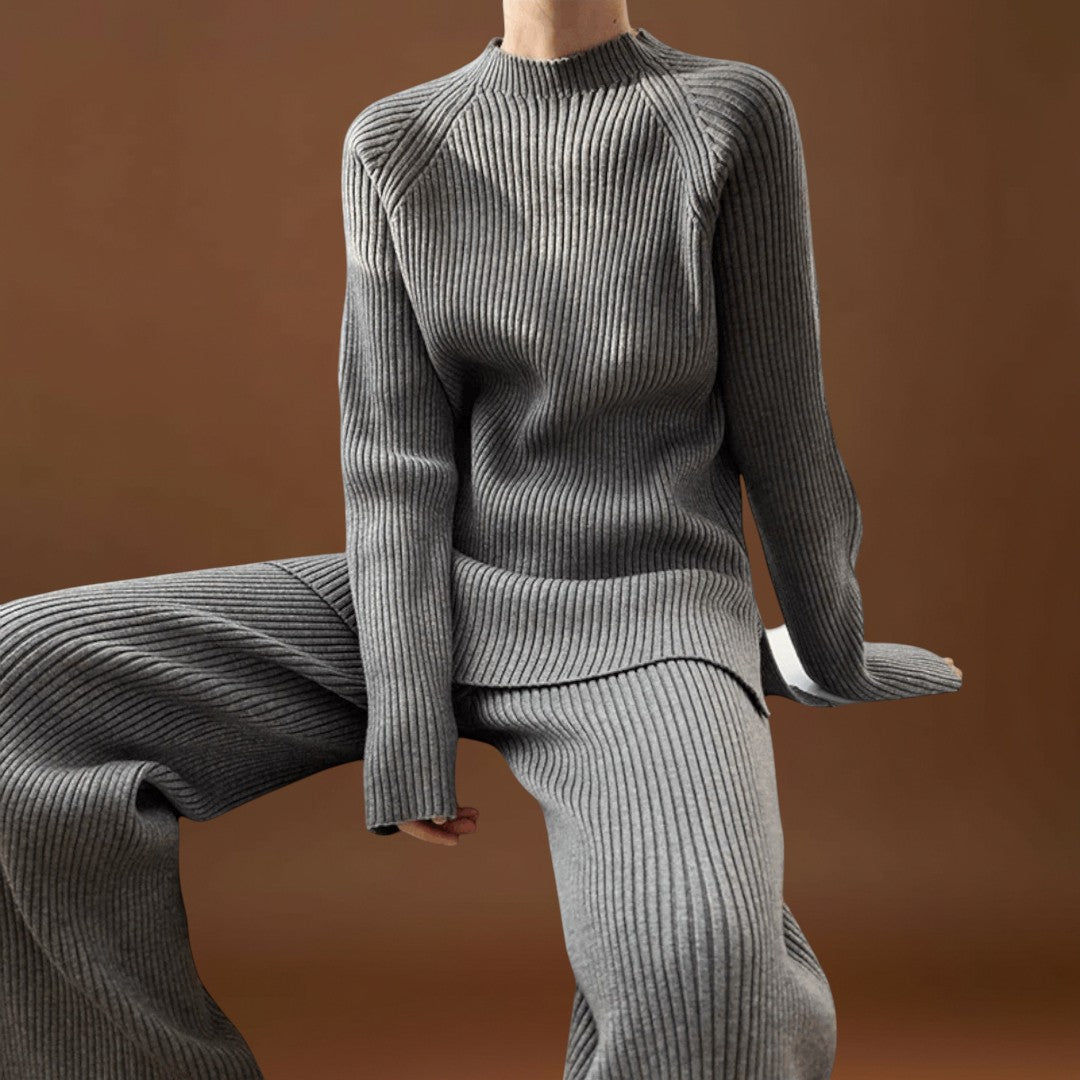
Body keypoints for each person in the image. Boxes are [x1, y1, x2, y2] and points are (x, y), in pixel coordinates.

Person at [0, 2, 963, 1077]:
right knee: (21, 680)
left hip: (648, 617)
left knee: (702, 967)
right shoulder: (398, 142)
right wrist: (407, 720)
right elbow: (396, 460)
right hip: (434, 595)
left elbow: (784, 424)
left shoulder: (727, 114)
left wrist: (830, 649)